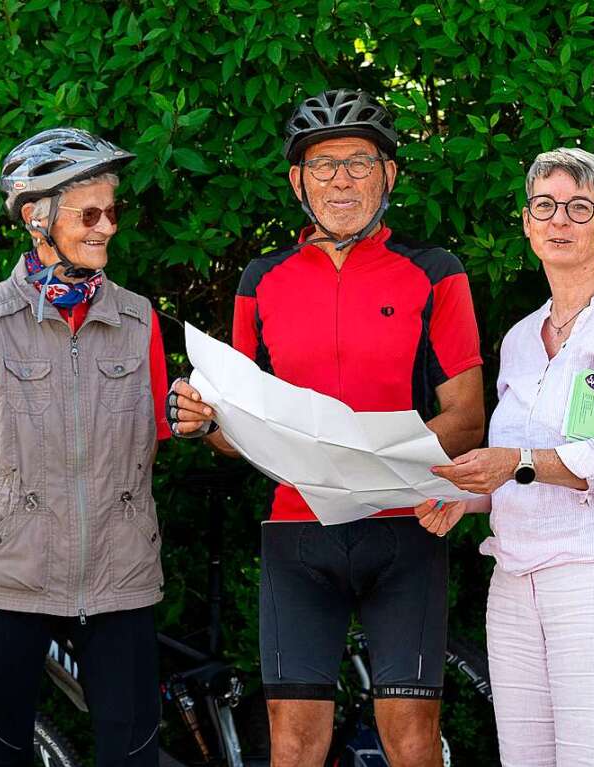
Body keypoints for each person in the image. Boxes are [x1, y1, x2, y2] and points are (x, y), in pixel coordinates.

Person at [170, 89, 484, 767]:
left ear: (389, 174)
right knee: (292, 742)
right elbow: (237, 425)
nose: (341, 179)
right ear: (297, 182)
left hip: (406, 523)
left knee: (411, 738)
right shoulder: (262, 280)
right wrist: (203, 422)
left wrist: (390, 472)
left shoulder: (434, 272)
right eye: (323, 166)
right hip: (297, 532)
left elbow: (466, 416)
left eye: (358, 162)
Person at [416, 147, 594, 766]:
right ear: (526, 221)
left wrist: (514, 461)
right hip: (517, 584)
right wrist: (467, 496)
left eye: (578, 207)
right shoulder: (519, 338)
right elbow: (516, 467)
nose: (559, 220)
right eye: (546, 206)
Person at [0, 127, 171, 766]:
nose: (107, 227)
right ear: (37, 218)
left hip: (120, 576)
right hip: (7, 575)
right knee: (0, 756)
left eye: (112, 211)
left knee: (133, 755)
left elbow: (155, 438)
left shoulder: (141, 319)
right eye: (89, 213)